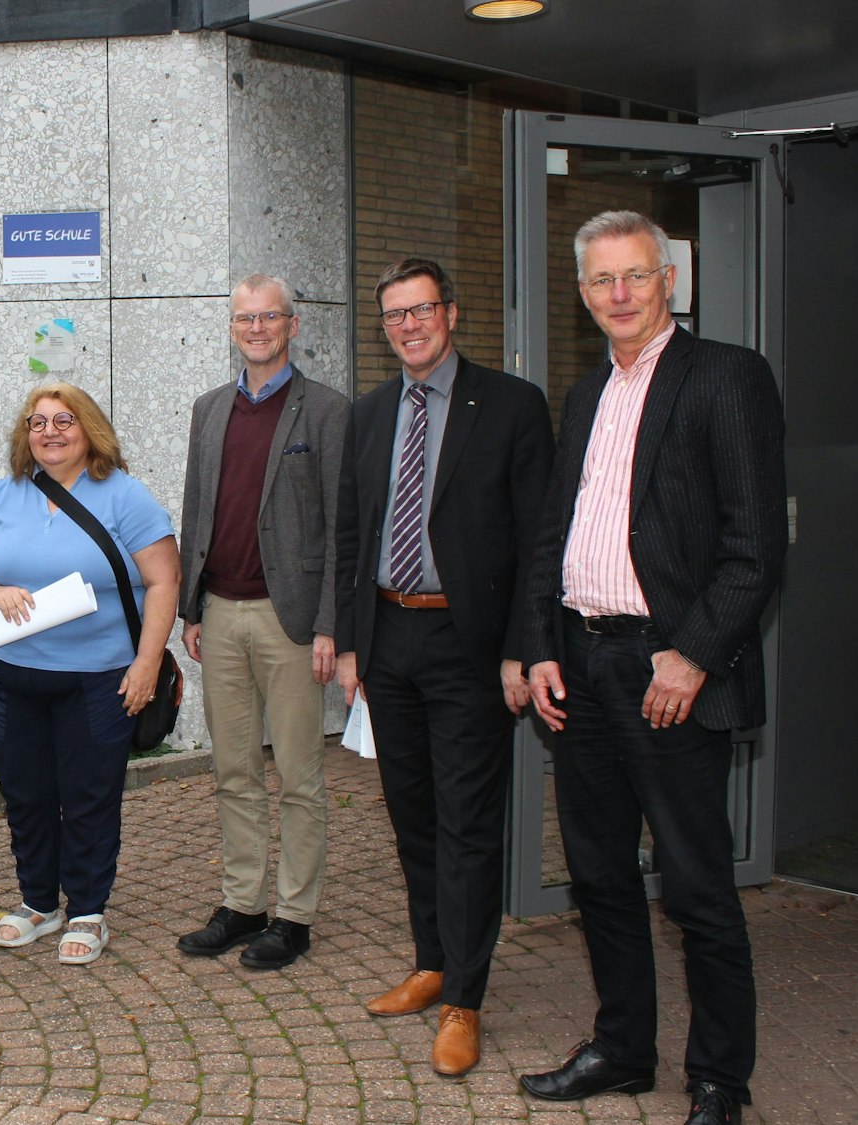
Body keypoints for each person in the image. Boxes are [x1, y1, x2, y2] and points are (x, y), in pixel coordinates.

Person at [517, 211, 786, 1125]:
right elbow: (554, 535)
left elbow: (755, 547)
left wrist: (697, 654)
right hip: (584, 663)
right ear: (584, 292)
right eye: (601, 281)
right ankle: (625, 1048)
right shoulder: (586, 394)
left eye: (635, 276)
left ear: (669, 279)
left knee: (697, 885)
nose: (618, 295)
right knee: (596, 871)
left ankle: (719, 1077)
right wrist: (542, 647)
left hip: (665, 668)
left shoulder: (727, 377)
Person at [333, 257, 553, 1075]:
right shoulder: (369, 413)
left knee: (466, 824)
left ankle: (465, 996)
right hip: (389, 641)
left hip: (470, 646)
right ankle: (431, 960)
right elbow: (352, 534)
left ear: (451, 314)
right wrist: (352, 642)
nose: (409, 325)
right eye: (394, 315)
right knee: (413, 813)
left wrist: (520, 648)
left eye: (421, 309)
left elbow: (538, 541)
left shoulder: (511, 405)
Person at [0, 384, 181, 965]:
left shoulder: (125, 496)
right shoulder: (3, 494)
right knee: (26, 793)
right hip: (16, 676)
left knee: (88, 797)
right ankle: (37, 904)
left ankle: (87, 911)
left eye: (64, 421)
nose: (50, 432)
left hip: (99, 678)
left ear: (89, 429)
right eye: (38, 422)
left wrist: (147, 661)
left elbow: (164, 581)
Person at [174, 274, 350, 971]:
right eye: (244, 318)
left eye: (268, 317)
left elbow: (343, 527)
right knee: (234, 768)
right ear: (232, 328)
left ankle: (295, 914)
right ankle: (244, 902)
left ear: (292, 324)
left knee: (301, 775)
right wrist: (191, 606)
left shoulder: (329, 411)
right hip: (219, 613)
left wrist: (332, 624)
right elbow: (196, 510)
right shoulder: (209, 409)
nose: (256, 328)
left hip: (293, 621)